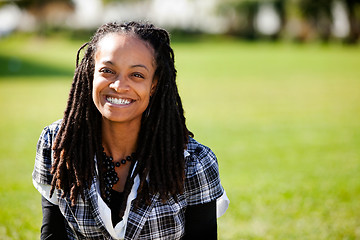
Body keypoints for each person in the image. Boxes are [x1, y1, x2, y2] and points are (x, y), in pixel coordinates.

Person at [32, 21, 229, 240]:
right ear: (91, 73)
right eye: (108, 71)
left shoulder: (193, 163)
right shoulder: (58, 144)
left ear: (154, 84)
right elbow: (52, 234)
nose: (119, 86)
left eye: (137, 75)